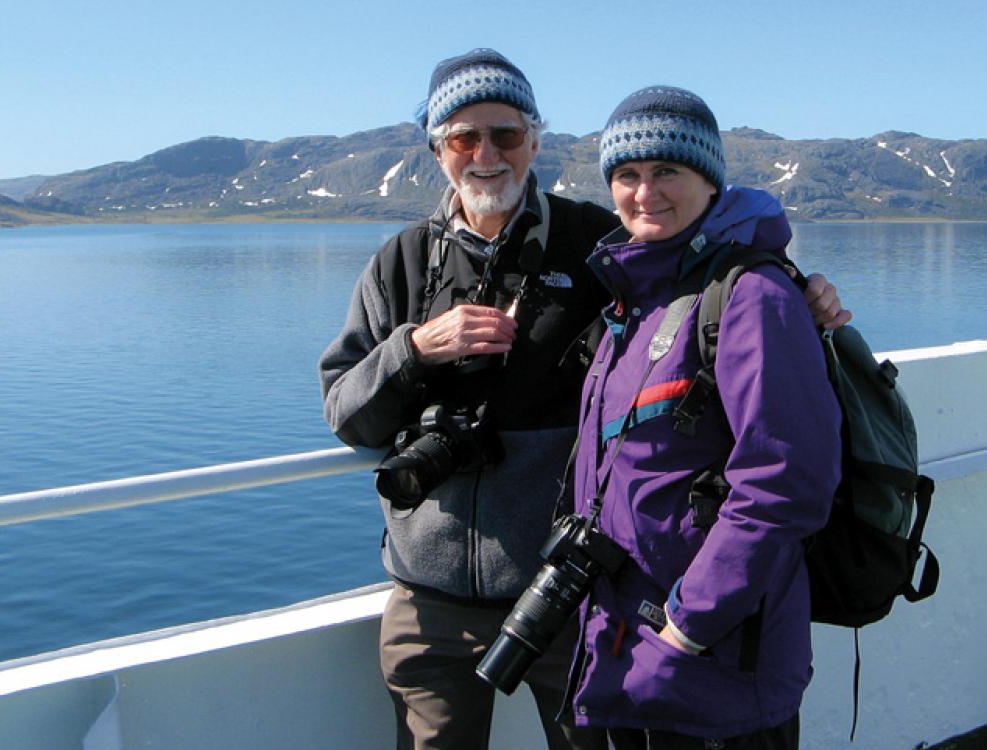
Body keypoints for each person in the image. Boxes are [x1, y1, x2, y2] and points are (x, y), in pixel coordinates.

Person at [319, 50, 846, 750]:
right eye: (462, 138)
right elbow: (347, 414)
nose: (485, 155)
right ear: (436, 149)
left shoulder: (599, 247)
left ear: (535, 139)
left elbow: (703, 287)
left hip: (575, 594)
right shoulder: (400, 262)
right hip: (430, 599)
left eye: (505, 135)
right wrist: (416, 350)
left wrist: (800, 293)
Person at [566, 86, 843, 749]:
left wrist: (686, 627)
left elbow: (786, 483)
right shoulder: (637, 299)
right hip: (632, 654)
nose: (645, 192)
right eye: (628, 175)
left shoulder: (751, 297)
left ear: (709, 182)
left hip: (711, 662)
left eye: (668, 171)